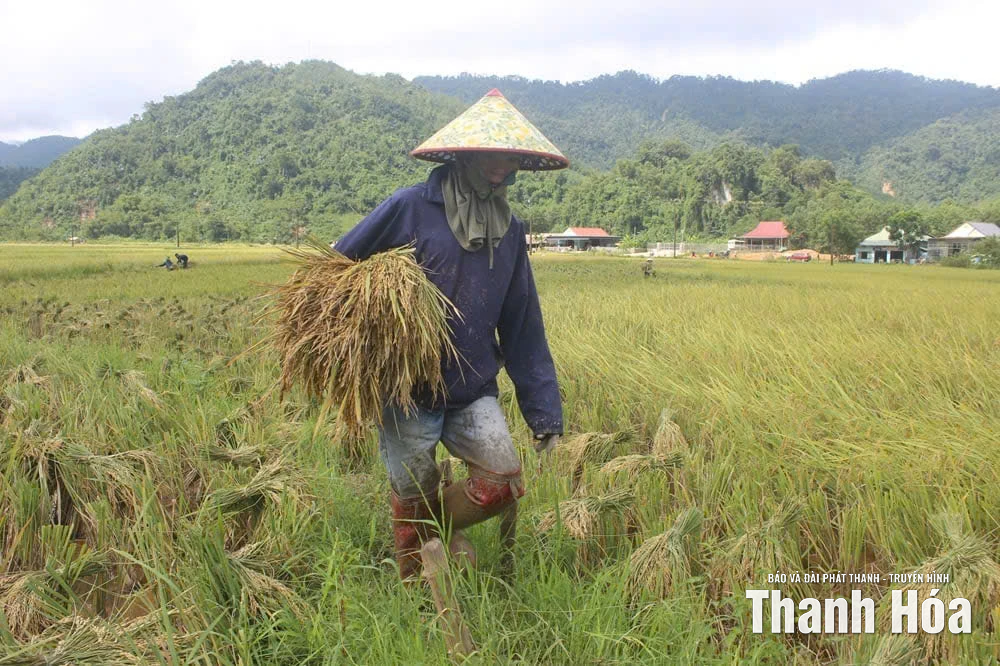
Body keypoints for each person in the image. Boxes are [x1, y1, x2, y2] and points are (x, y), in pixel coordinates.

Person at [334, 89, 566, 580]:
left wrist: (543, 410)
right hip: (407, 390)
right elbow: (338, 266)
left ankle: (432, 530)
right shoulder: (411, 208)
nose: (500, 168)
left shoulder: (509, 229)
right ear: (462, 155)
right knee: (411, 490)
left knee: (502, 480)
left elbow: (522, 321)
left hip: (472, 386)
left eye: (510, 159)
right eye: (489, 157)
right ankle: (413, 588)